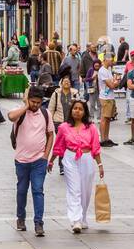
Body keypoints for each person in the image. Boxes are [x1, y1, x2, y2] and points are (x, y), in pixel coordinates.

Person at [49, 99, 104, 234]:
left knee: (85, 191)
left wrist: (100, 165)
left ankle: (83, 217)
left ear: (84, 112)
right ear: (71, 110)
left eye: (80, 109)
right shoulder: (64, 127)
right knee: (74, 190)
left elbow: (96, 148)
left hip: (86, 158)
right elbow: (58, 146)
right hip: (70, 158)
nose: (77, 111)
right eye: (75, 108)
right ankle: (76, 220)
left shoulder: (91, 128)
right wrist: (51, 160)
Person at [8, 87, 55, 237]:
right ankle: (20, 218)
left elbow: (50, 134)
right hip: (21, 160)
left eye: (38, 102)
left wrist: (46, 156)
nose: (35, 105)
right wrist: (26, 106)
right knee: (21, 190)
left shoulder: (45, 114)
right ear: (28, 99)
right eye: (33, 102)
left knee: (37, 190)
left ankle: (38, 223)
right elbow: (10, 117)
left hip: (39, 160)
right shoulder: (20, 111)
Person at [97, 54, 121, 148]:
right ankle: (103, 139)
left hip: (110, 96)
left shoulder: (109, 70)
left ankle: (106, 138)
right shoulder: (102, 71)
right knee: (104, 118)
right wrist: (116, 83)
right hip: (105, 97)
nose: (113, 61)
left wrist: (115, 82)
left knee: (108, 119)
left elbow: (113, 84)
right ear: (106, 60)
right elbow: (111, 85)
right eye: (111, 60)